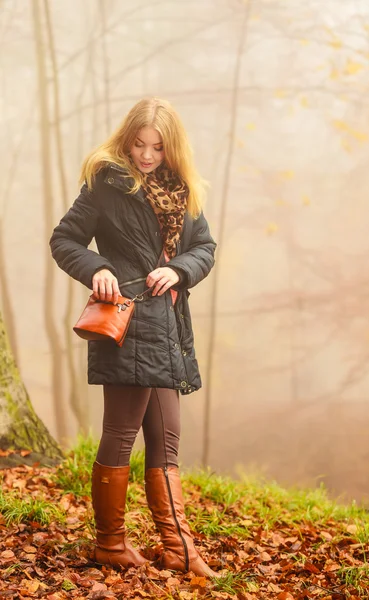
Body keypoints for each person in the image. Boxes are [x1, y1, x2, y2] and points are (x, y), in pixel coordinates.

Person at [49, 97, 220, 577]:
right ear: (127, 141)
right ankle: (110, 543)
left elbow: (204, 247)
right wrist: (97, 267)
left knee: (167, 445)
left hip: (168, 331)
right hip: (123, 325)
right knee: (121, 435)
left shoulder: (186, 191)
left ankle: (179, 548)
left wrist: (180, 270)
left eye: (157, 147)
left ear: (172, 149)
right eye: (139, 144)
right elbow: (64, 240)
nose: (146, 155)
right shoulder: (106, 184)